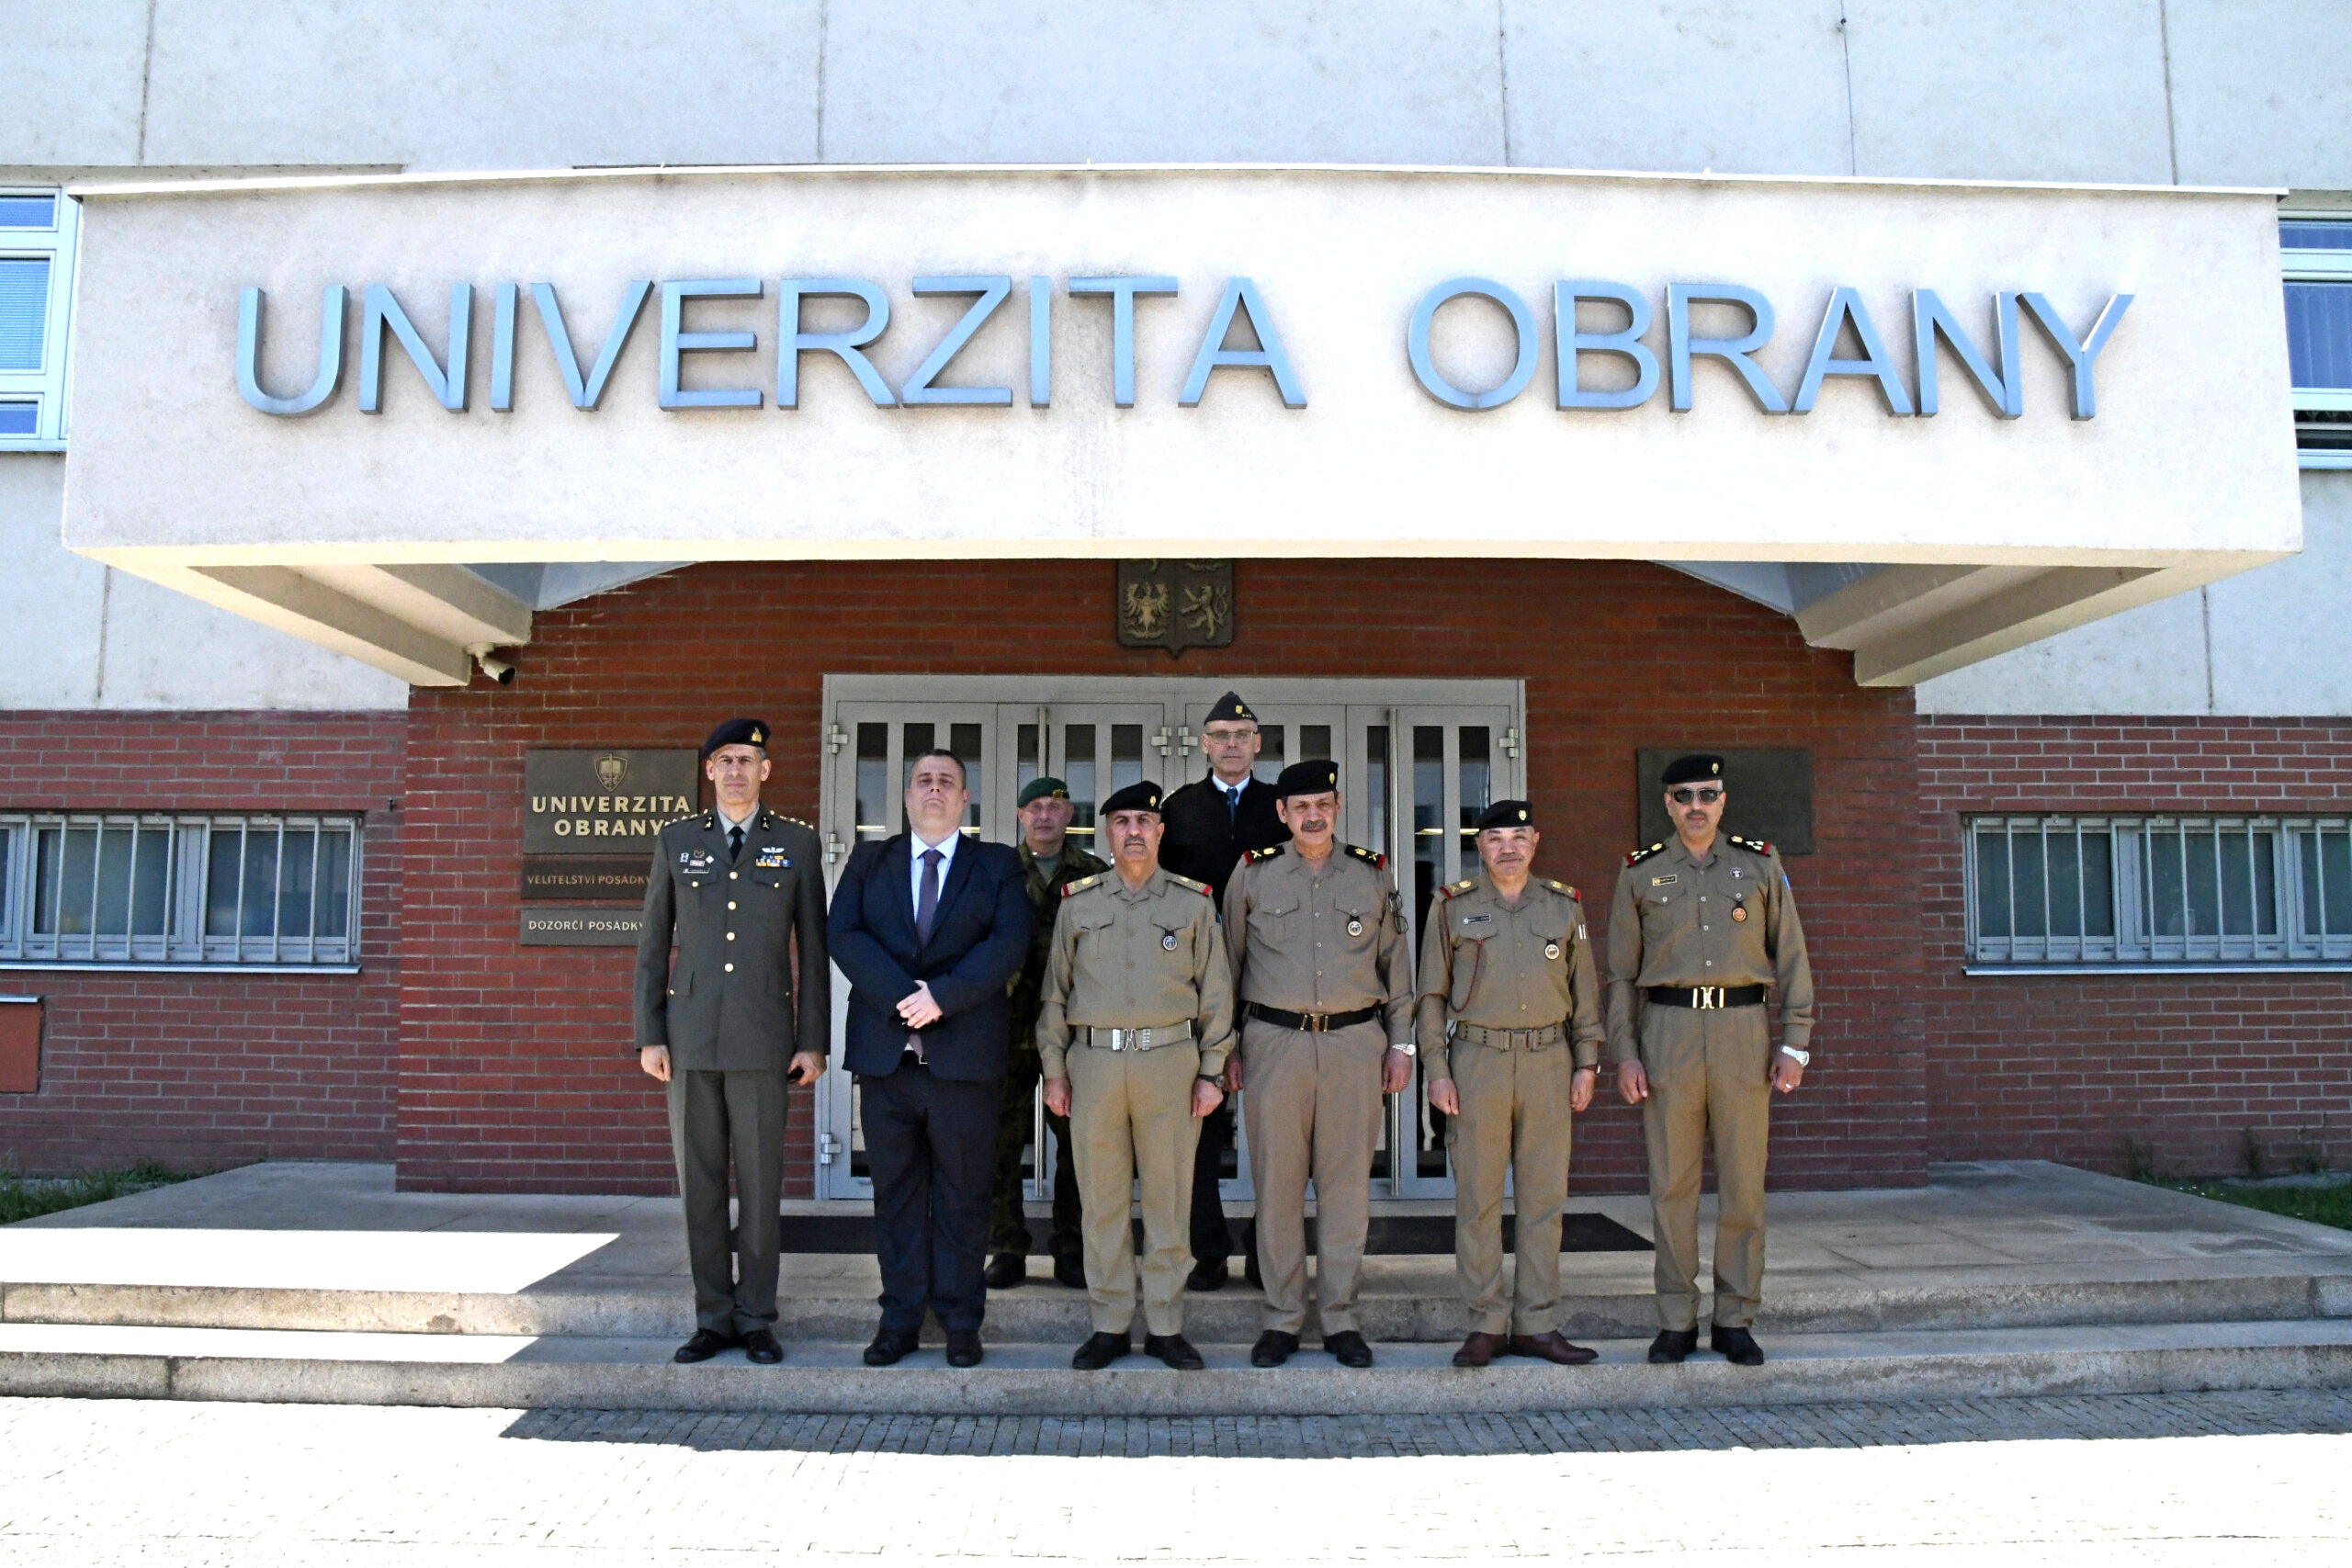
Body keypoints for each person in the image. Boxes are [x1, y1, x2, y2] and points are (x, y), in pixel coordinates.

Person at [1608, 753, 1815, 1368]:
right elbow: (1619, 973)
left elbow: (1793, 956)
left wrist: (1795, 1041)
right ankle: (1676, 1317)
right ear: (1668, 804)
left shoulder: (1759, 863)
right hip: (1667, 1030)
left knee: (1744, 1185)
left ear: (1722, 801)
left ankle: (1735, 1316)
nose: (1695, 804)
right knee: (1672, 1185)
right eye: (1683, 795)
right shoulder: (1640, 873)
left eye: (1707, 793)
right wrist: (1624, 1052)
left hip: (1742, 1032)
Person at [632, 717, 829, 1367]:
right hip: (689, 1040)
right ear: (709, 771)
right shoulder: (677, 839)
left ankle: (757, 1315)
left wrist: (812, 1041)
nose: (737, 770)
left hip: (766, 1038)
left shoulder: (796, 845)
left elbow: (814, 948)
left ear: (766, 770)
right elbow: (653, 946)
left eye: (747, 759)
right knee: (703, 1186)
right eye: (725, 760)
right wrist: (649, 1034)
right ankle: (713, 1315)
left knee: (763, 1187)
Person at [827, 749, 1031, 1369]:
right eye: (924, 780)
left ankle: (963, 1320)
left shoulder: (995, 864)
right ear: (908, 795)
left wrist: (942, 996)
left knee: (965, 1195)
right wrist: (905, 997)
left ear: (964, 797)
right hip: (887, 1060)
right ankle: (900, 1319)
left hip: (964, 1062)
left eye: (947, 781)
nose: (934, 789)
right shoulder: (870, 860)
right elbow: (844, 933)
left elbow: (1008, 942)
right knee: (896, 1196)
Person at [1222, 758, 1414, 1369]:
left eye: (1323, 805)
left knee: (1346, 1190)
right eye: (1300, 806)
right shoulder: (1252, 875)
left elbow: (1397, 970)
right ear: (1281, 812)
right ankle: (1281, 1318)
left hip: (1355, 1044)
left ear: (1336, 809)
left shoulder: (1371, 876)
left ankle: (1340, 1318)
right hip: (1274, 1044)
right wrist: (1224, 1045)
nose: (1312, 815)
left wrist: (1402, 1044)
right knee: (1277, 1188)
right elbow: (1225, 965)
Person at [1037, 781, 1236, 1371]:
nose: (1133, 832)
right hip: (1094, 1065)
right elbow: (1054, 997)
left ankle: (1168, 1325)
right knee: (1101, 1203)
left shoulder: (1192, 904)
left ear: (1159, 832)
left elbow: (1216, 998)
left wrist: (1212, 1073)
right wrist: (1054, 1071)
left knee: (1170, 1201)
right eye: (1121, 821)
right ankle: (1110, 1323)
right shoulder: (1079, 902)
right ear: (1107, 832)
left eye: (1144, 822)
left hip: (1170, 1063)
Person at [1418, 800, 1605, 1370]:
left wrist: (1586, 1062)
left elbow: (1586, 992)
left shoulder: (1563, 906)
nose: (1507, 847)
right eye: (1495, 837)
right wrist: (1437, 1068)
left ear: (1535, 841)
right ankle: (1485, 1324)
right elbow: (1430, 995)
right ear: (1481, 847)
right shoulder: (1451, 907)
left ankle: (1538, 1323)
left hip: (1549, 1059)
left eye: (1518, 837)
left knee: (1543, 1201)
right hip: (1478, 1062)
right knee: (1477, 1200)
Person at [1157, 690, 1289, 1292]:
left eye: (1242, 735)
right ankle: (1207, 1248)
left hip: (1274, 981)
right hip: (1194, 985)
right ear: (1204, 744)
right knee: (1199, 1124)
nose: (1231, 745)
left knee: (1274, 1127)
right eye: (1220, 736)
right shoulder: (1180, 808)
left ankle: (1270, 1249)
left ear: (1257, 743)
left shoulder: (1281, 806)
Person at [987, 776, 1108, 1290]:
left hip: (1072, 1027)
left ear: (1069, 816)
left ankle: (1072, 1249)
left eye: (1055, 807)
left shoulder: (1095, 873)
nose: (1044, 816)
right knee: (999, 1144)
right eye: (1034, 807)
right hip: (1005, 1025)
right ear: (1020, 816)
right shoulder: (995, 872)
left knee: (1078, 1143)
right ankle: (1007, 1248)